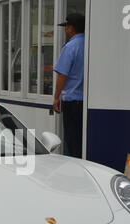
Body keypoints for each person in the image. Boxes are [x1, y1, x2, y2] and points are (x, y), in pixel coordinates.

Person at [53, 13, 85, 158]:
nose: (66, 30)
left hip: (72, 102)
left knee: (71, 142)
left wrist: (56, 97)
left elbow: (62, 75)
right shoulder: (90, 45)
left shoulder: (70, 47)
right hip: (86, 102)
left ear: (71, 28)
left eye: (66, 27)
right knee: (82, 139)